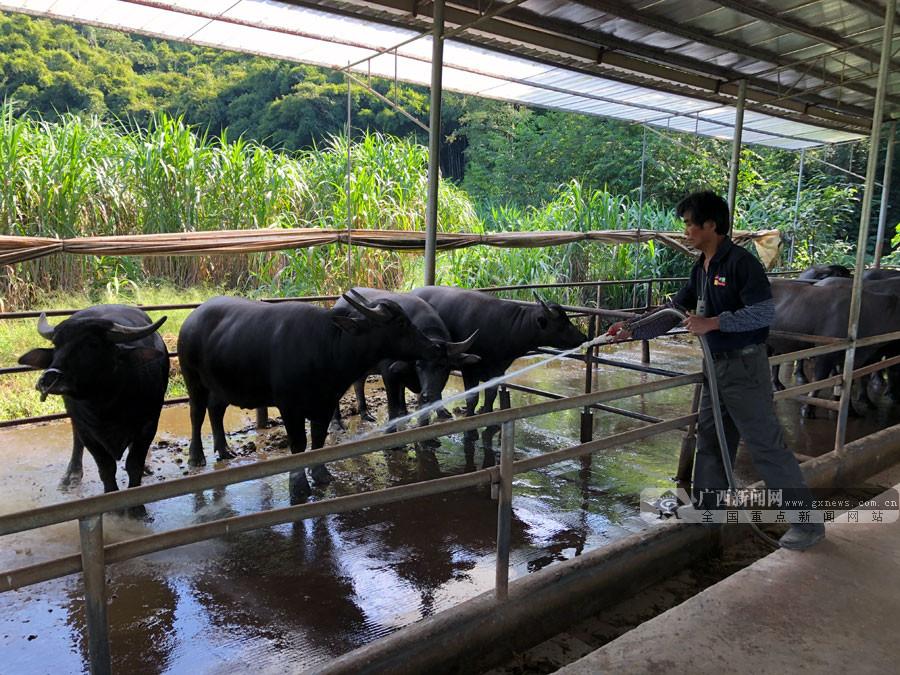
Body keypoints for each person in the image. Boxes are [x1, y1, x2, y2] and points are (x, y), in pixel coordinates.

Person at [609, 191, 825, 551]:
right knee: (711, 439)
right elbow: (675, 311)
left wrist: (713, 323)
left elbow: (763, 314)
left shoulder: (742, 264)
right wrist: (632, 330)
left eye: (690, 224)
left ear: (711, 225)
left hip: (744, 365)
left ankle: (807, 524)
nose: (686, 231)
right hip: (716, 368)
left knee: (765, 445)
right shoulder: (701, 267)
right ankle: (709, 506)